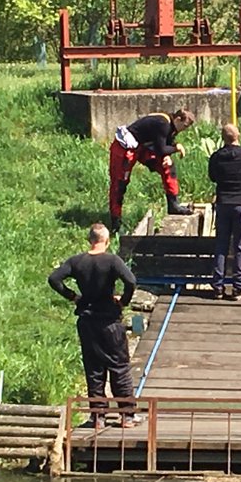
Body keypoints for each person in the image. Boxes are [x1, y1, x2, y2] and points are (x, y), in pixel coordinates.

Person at [48, 223, 137, 428]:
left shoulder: (77, 261)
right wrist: (123, 301)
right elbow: (131, 281)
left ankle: (98, 417)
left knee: (94, 368)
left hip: (87, 320)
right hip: (109, 320)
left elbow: (54, 279)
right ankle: (126, 415)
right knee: (119, 366)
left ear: (90, 240)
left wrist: (73, 296)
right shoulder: (112, 260)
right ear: (106, 240)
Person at [108, 109, 196, 233]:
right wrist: (176, 148)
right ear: (177, 119)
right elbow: (161, 148)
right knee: (119, 184)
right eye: (184, 126)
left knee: (168, 168)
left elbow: (164, 143)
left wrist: (167, 156)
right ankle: (116, 222)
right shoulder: (163, 124)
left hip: (143, 147)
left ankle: (173, 204)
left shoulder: (170, 126)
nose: (184, 129)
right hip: (125, 148)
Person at [208, 123, 241, 300]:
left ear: (223, 138)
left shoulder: (216, 157)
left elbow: (213, 177)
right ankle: (238, 287)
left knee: (221, 245)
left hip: (223, 203)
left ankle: (217, 287)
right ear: (239, 135)